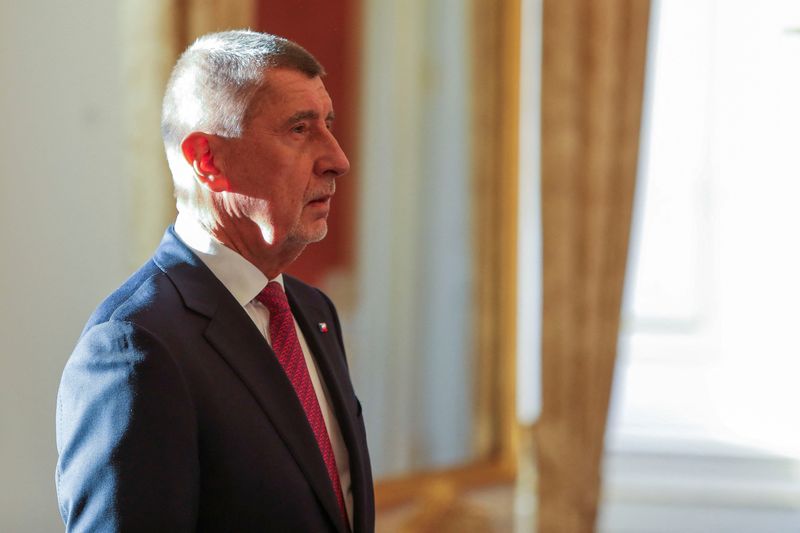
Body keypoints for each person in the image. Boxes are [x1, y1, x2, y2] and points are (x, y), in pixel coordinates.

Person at [55, 30, 374, 532]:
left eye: (327, 124)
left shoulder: (314, 311)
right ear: (208, 160)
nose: (338, 159)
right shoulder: (132, 348)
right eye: (299, 129)